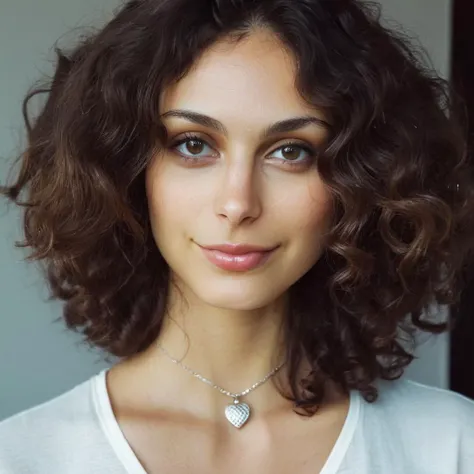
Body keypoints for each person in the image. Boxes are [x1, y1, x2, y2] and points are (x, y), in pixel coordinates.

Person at [1, 0, 474, 472]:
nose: (238, 204)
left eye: (291, 151)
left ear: (362, 181)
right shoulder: (23, 455)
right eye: (194, 144)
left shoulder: (450, 444)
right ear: (128, 170)